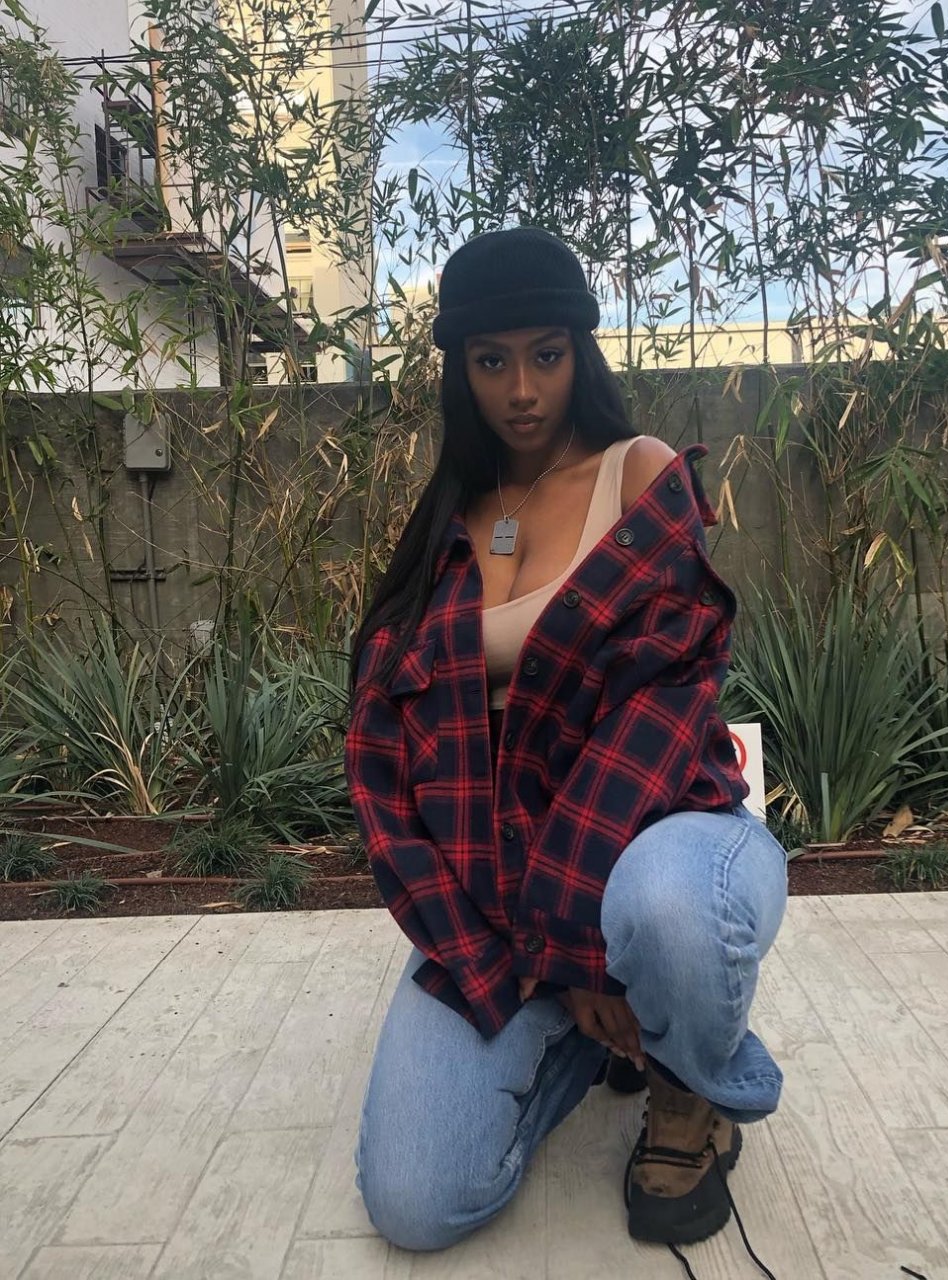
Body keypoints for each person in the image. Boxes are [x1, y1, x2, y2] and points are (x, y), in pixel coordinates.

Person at [344, 226, 788, 1269]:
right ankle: (598, 1038)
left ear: (579, 352)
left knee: (666, 914)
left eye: (545, 353)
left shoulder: (637, 474)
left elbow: (662, 698)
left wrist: (577, 940)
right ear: (458, 370)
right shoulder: (451, 515)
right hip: (500, 878)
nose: (521, 389)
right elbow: (382, 727)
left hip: (661, 830)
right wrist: (497, 942)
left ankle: (688, 1085)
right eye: (490, 360)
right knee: (416, 1201)